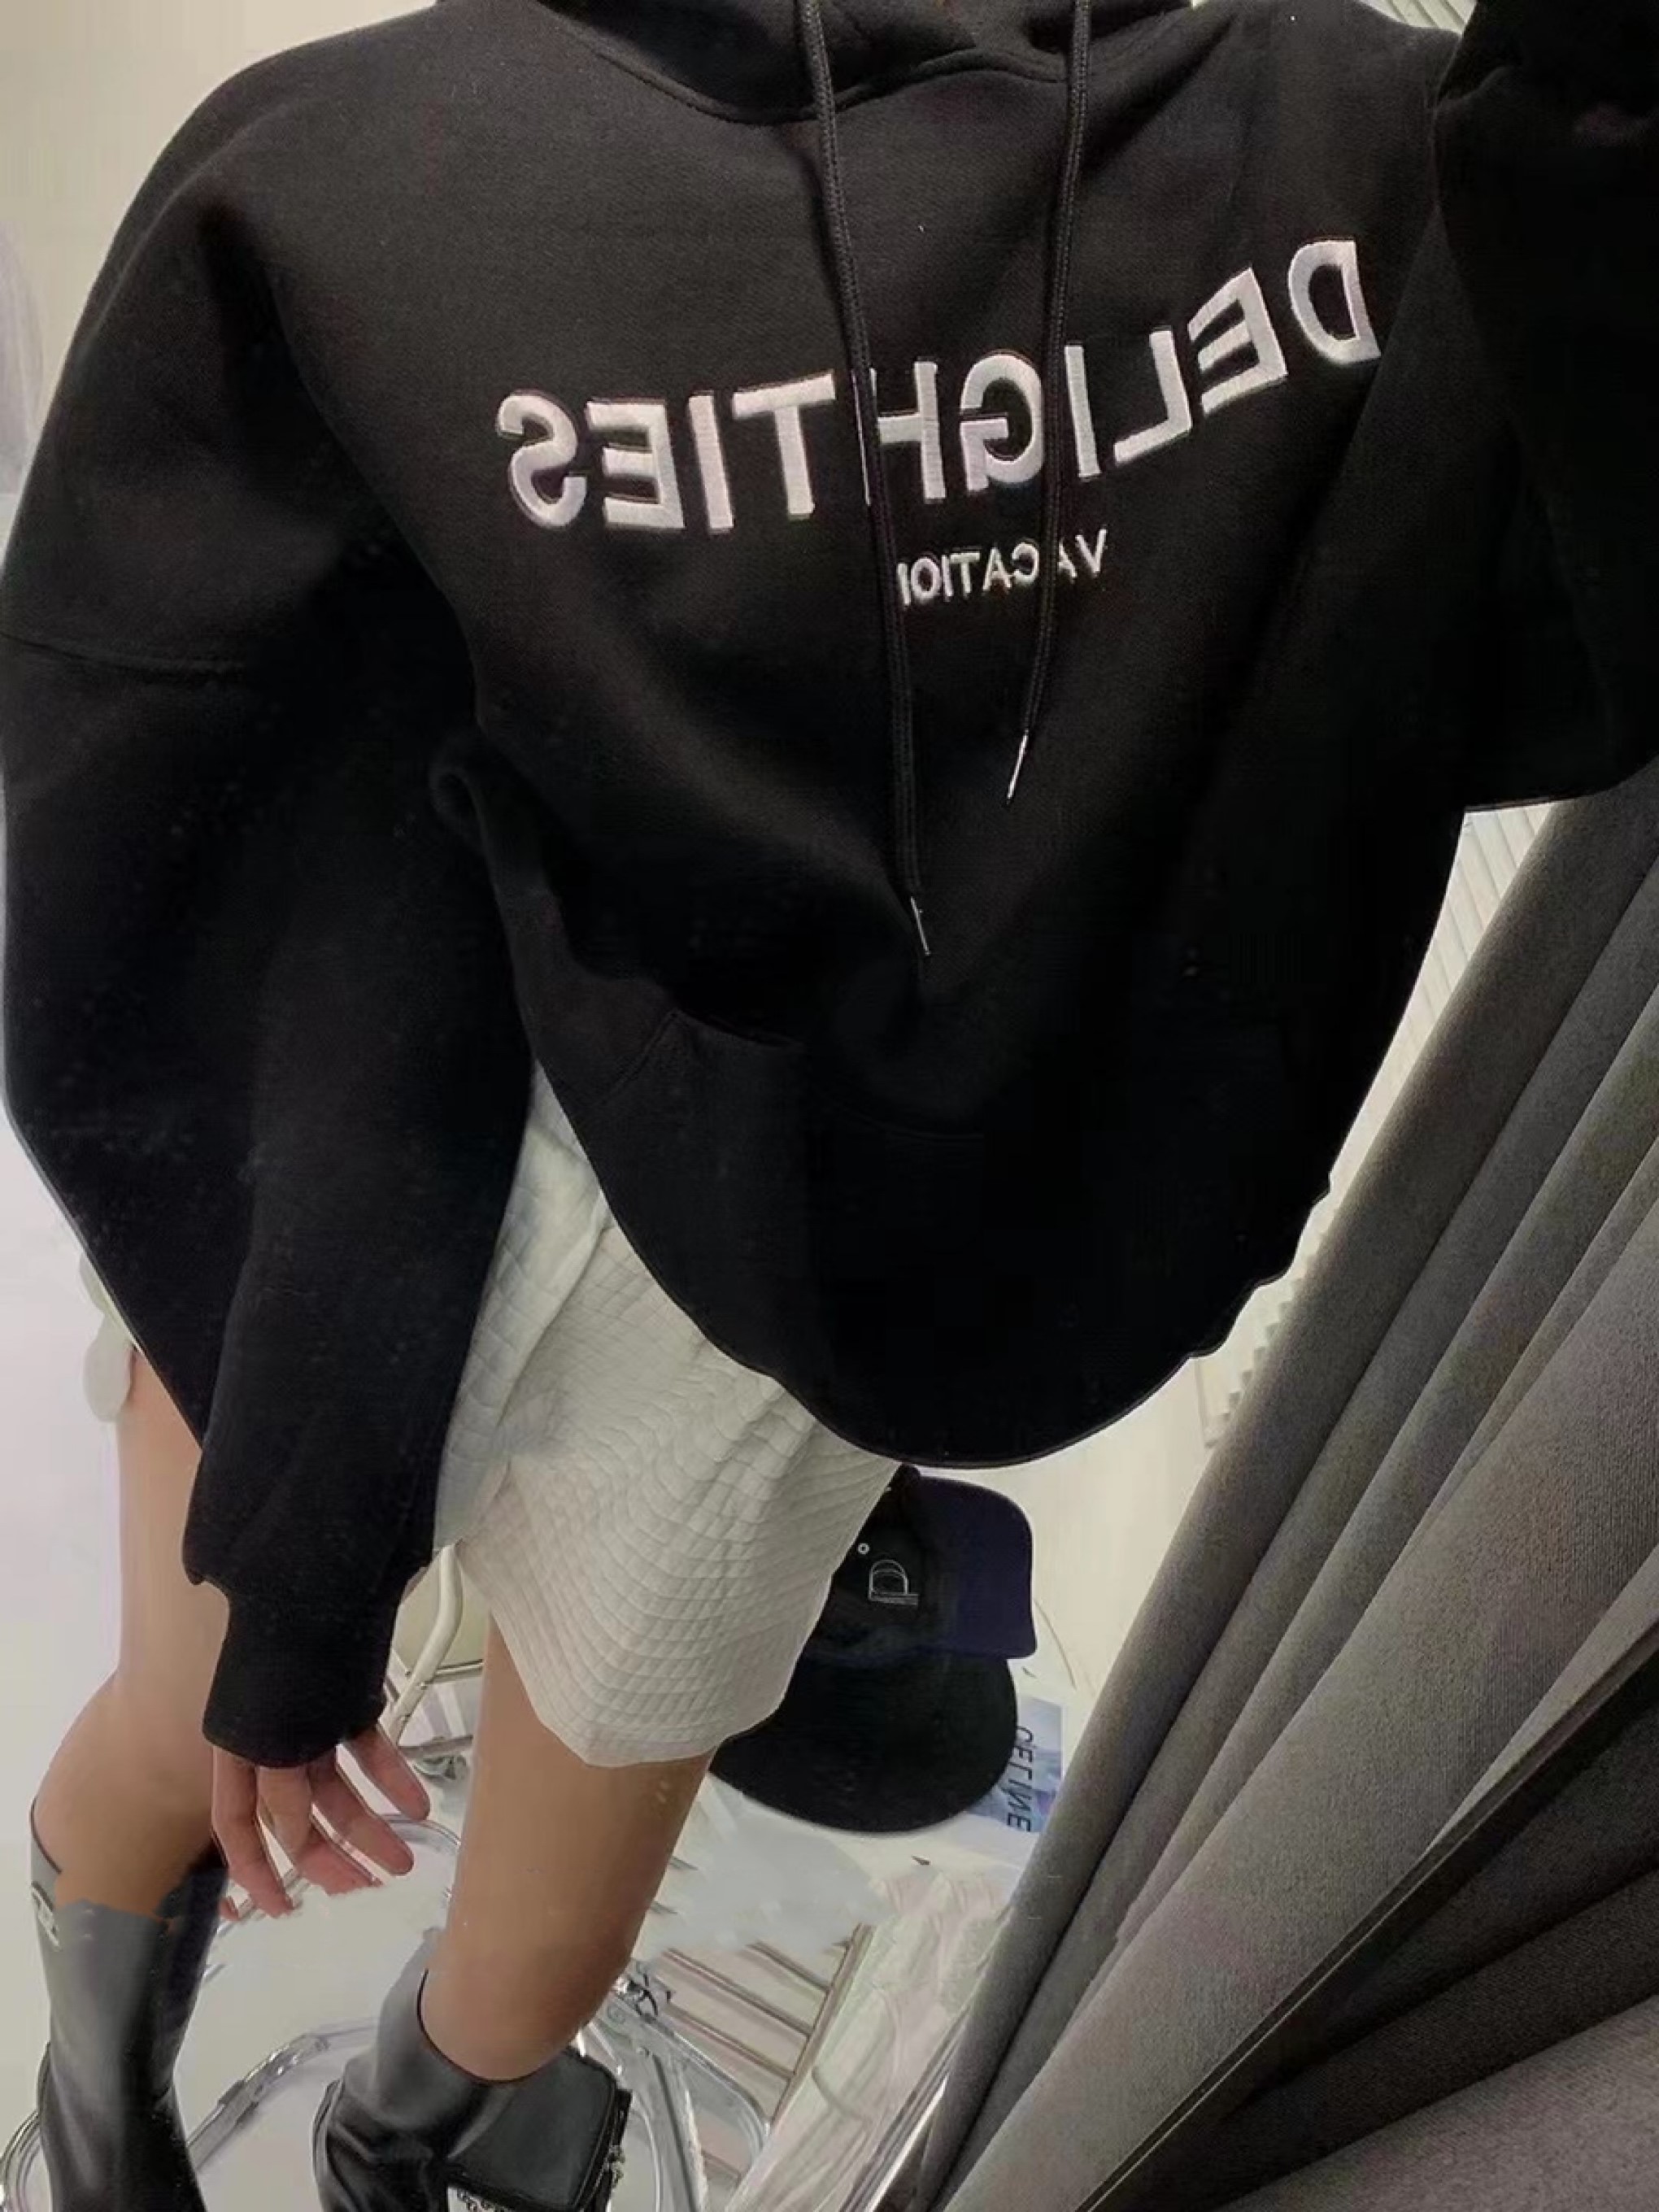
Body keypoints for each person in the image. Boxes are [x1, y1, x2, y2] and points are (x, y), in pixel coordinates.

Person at [0, 0, 1652, 2205]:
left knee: (537, 1965)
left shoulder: (1370, 160)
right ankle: (91, 2107)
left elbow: (1542, 646)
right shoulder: (353, 195)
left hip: (774, 1355)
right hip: (349, 1206)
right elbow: (190, 874)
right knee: (185, 1731)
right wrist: (308, 1532)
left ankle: (405, 2136)